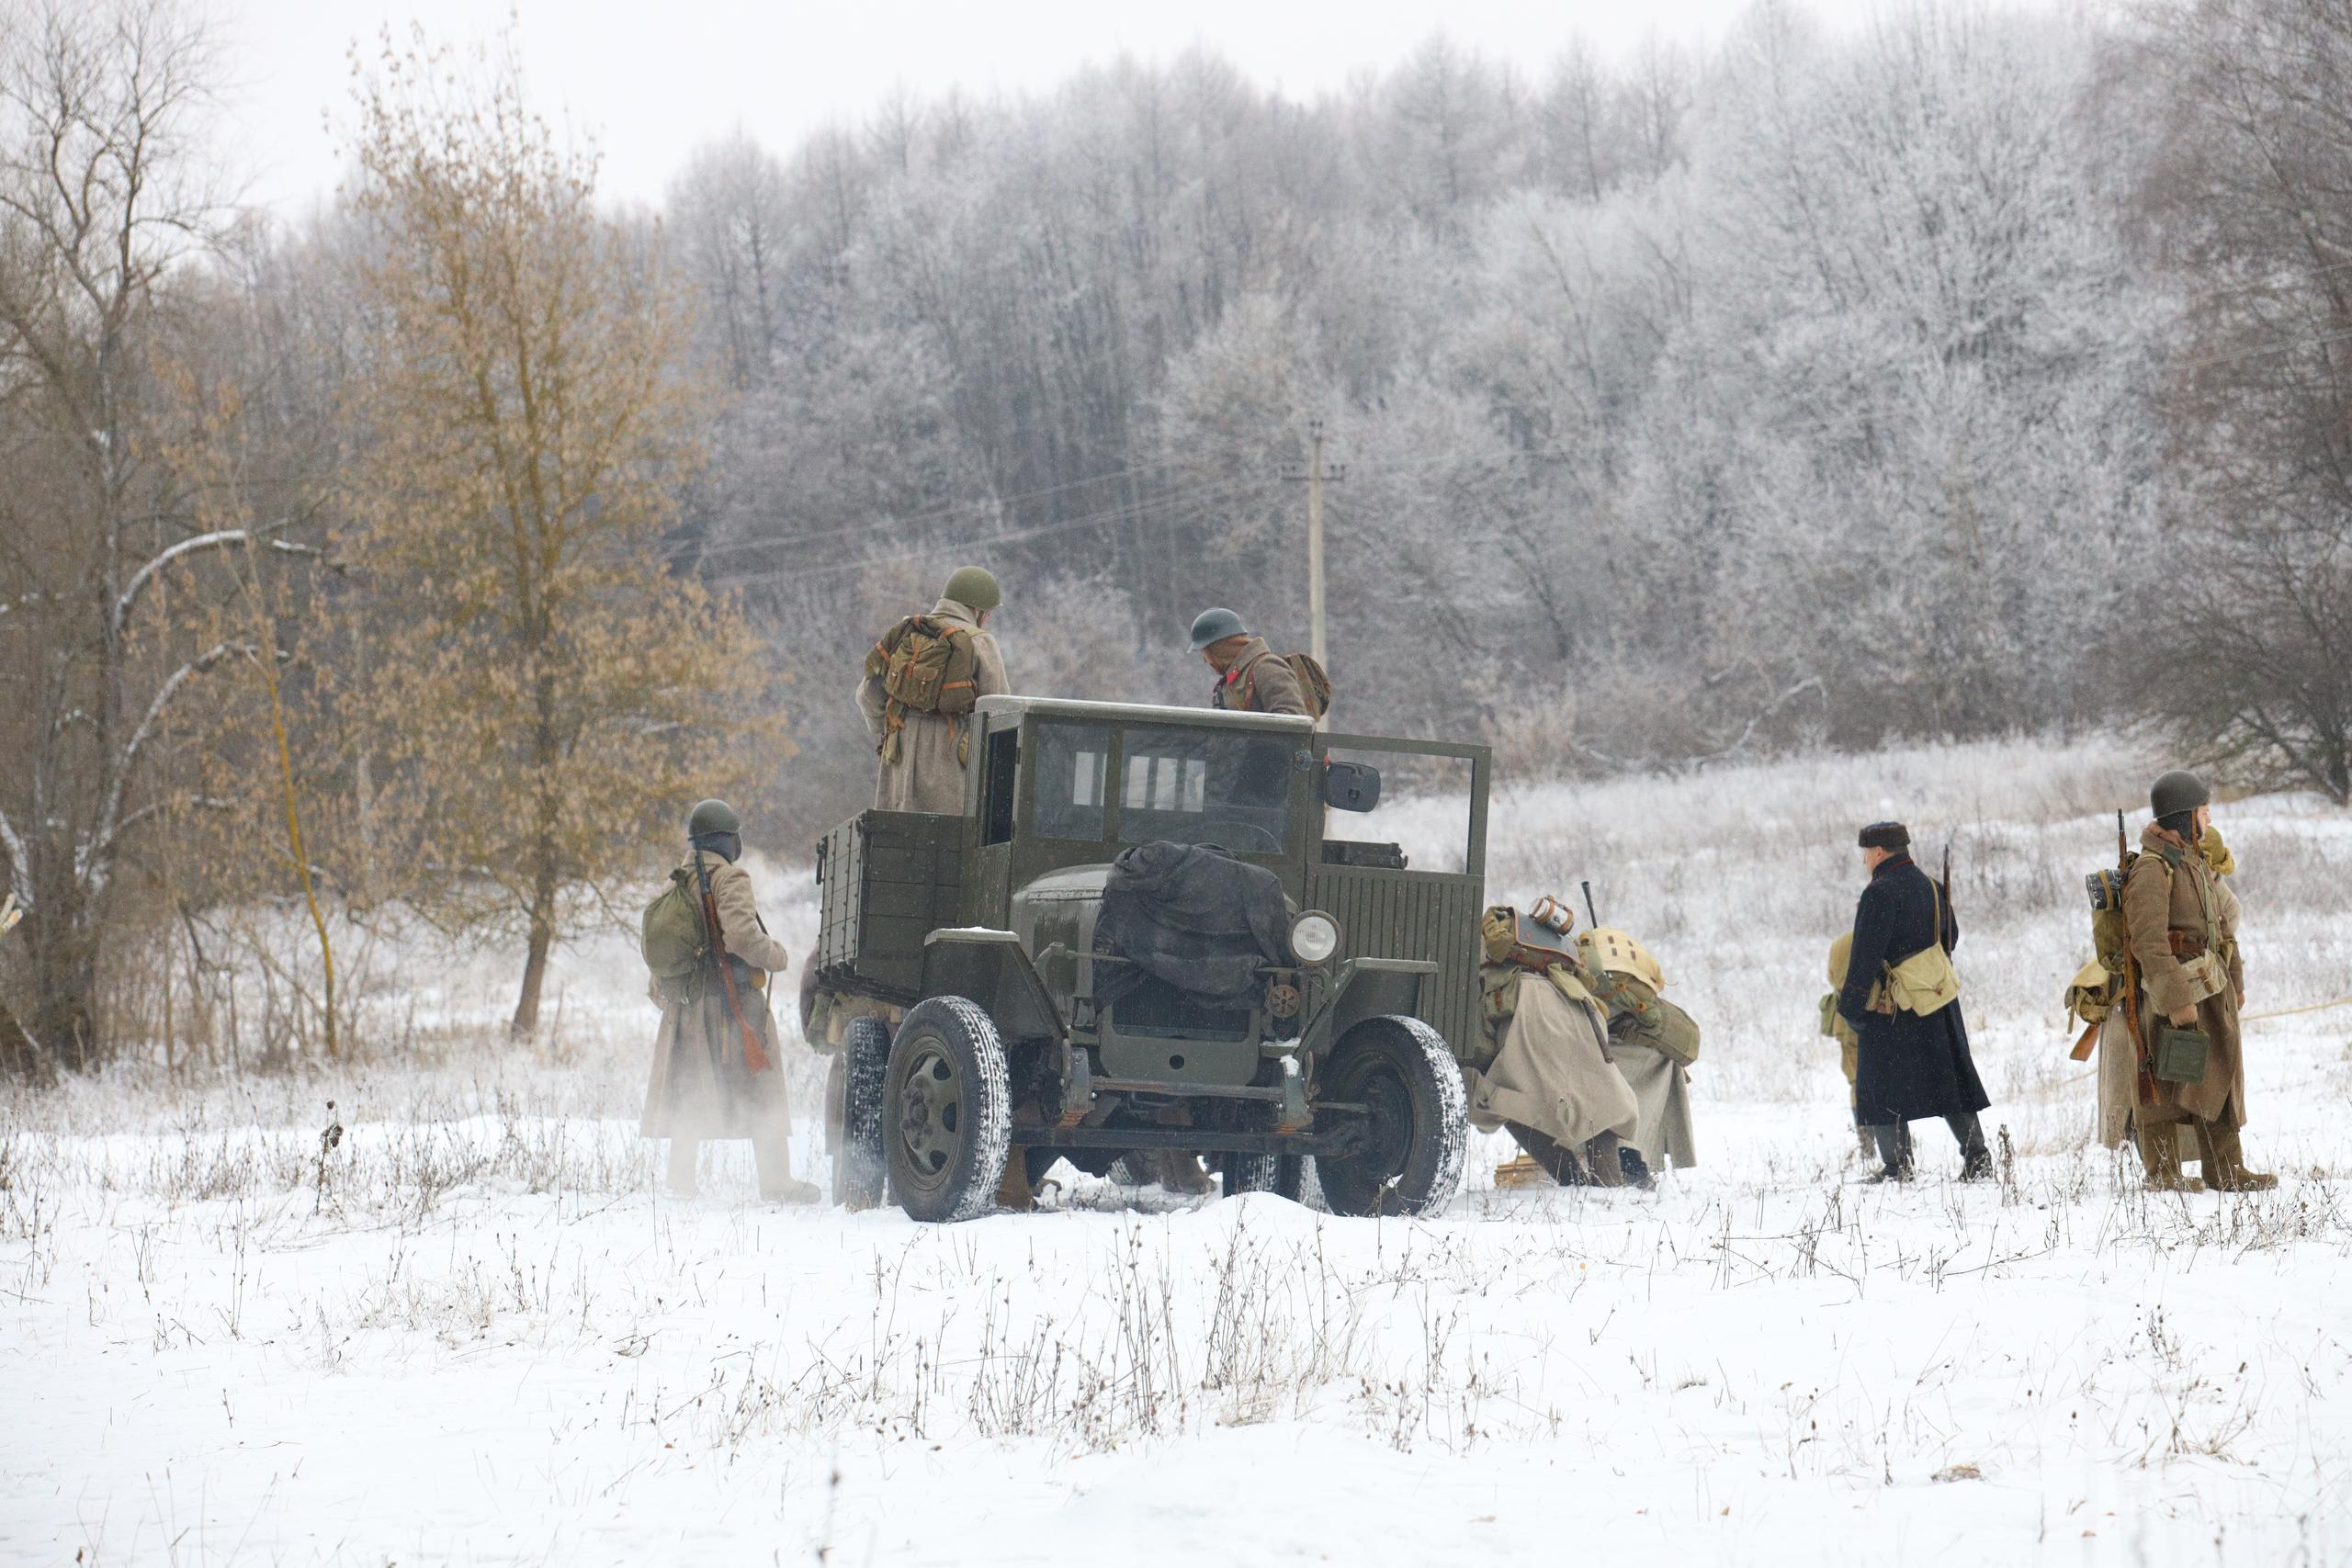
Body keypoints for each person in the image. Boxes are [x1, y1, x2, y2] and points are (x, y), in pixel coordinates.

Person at [641, 800, 819, 1202]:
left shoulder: (675, 883)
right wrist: (776, 955)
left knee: (690, 1092)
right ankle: (777, 1183)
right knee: (764, 1083)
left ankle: (680, 1182)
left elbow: (667, 952)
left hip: (685, 1008)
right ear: (727, 840)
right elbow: (741, 936)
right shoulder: (730, 878)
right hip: (732, 1007)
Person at [2120, 771, 2274, 1191]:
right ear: (2187, 816)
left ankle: (2225, 1169)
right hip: (2173, 992)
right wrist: (2175, 1000)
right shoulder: (2152, 869)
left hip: (2211, 987)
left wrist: (2236, 981)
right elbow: (2148, 943)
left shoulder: (2195, 861)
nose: (2209, 820)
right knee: (2165, 1085)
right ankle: (2164, 1174)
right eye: (2204, 812)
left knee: (2218, 1074)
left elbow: (2221, 927)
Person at [1835, 821, 1992, 1182]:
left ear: (1877, 852)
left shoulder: (1879, 892)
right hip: (1936, 999)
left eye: (1865, 854)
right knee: (1950, 1080)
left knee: (1880, 1082)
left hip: (1894, 1007)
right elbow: (1950, 937)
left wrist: (1852, 1006)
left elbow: (1865, 955)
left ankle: (1897, 1166)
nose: (1864, 861)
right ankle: (1978, 1158)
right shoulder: (1932, 887)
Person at [857, 567, 1012, 814]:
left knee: (895, 842)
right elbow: (1000, 713)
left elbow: (868, 696)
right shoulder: (979, 642)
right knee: (942, 843)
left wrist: (887, 729)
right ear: (977, 610)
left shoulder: (908, 632)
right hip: (949, 778)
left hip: (898, 772)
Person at [1822, 934, 1883, 1161]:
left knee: (1857, 1082)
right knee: (1881, 1082)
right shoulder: (1874, 940)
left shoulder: (1840, 942)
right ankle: (1892, 1143)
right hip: (1876, 1017)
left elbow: (1832, 976)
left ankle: (1867, 1144)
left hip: (1845, 1020)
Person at [1189, 607, 1313, 716]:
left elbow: (1292, 722)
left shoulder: (1266, 667)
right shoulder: (1235, 678)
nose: (1206, 660)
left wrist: (1250, 739)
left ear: (1219, 648)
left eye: (1206, 653)